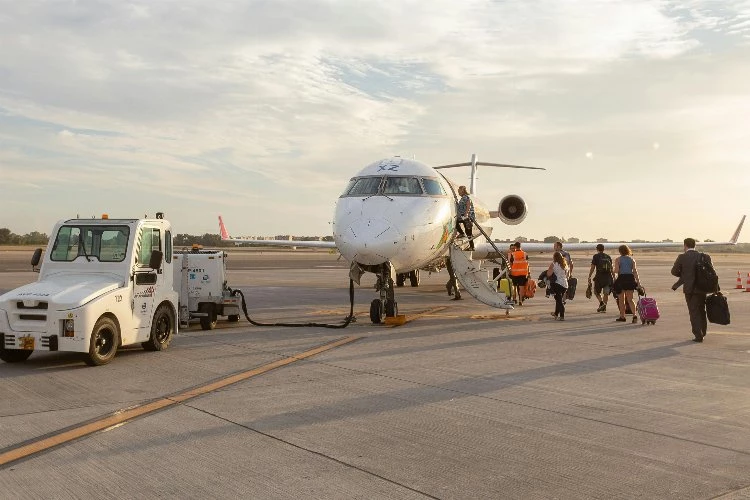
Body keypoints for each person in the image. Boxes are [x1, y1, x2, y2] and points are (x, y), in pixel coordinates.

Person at [671, 238, 711, 342]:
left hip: (690, 289)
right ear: (695, 245)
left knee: (694, 312)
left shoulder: (682, 257)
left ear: (685, 246)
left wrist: (684, 275)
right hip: (702, 288)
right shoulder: (704, 256)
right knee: (702, 310)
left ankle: (698, 335)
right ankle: (703, 331)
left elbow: (674, 271)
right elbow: (710, 272)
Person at [613, 244, 641, 323]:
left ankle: (622, 316)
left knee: (621, 300)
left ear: (620, 251)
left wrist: (613, 272)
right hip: (630, 279)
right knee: (630, 299)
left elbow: (616, 271)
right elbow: (635, 272)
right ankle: (634, 315)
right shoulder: (632, 260)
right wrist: (638, 283)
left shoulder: (618, 259)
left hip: (622, 279)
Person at [587, 244, 614, 313]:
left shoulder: (596, 256)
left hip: (599, 277)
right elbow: (611, 268)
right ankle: (604, 307)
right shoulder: (608, 256)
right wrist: (614, 277)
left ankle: (602, 303)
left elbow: (593, 267)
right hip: (608, 277)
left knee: (596, 292)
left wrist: (589, 275)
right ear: (603, 249)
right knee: (606, 293)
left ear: (597, 249)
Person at [546, 251, 569, 320]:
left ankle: (562, 316)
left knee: (559, 301)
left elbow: (549, 274)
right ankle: (556, 314)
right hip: (564, 284)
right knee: (558, 299)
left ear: (554, 257)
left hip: (557, 284)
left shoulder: (553, 264)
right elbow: (568, 275)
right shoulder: (565, 264)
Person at [509, 241, 530, 305]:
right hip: (523, 273)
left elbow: (510, 263)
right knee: (521, 287)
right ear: (520, 246)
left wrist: (510, 272)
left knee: (514, 286)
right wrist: (529, 273)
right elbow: (527, 264)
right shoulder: (525, 254)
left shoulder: (513, 254)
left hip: (514, 273)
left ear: (515, 247)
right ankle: (520, 300)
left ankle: (514, 299)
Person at [455, 186, 475, 250]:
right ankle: (462, 233)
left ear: (462, 190)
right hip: (462, 217)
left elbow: (468, 205)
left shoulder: (466, 197)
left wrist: (466, 214)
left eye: (459, 191)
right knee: (455, 223)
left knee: (468, 232)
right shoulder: (462, 198)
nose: (458, 192)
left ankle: (472, 247)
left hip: (467, 217)